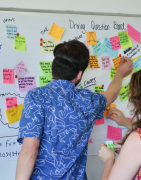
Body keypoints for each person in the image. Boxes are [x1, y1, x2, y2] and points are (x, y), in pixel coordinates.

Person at [15, 40, 133, 180]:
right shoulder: (88, 100)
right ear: (79, 74)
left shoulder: (36, 96)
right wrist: (120, 72)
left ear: (53, 65)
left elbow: (30, 150)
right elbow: (112, 94)